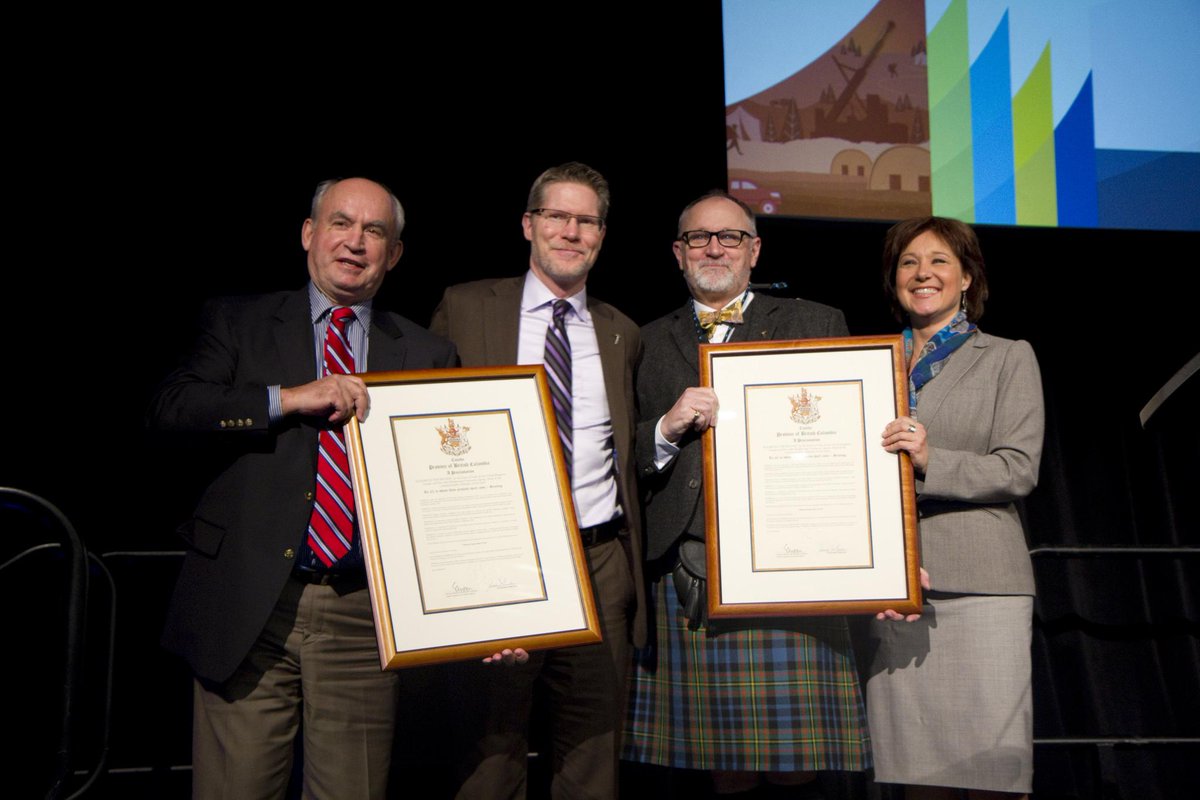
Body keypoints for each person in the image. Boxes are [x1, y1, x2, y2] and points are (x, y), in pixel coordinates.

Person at [148, 177, 458, 799]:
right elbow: (174, 409)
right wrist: (286, 399)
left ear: (394, 254)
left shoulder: (428, 352)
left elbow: (447, 495)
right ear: (309, 233)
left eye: (374, 231)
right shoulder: (239, 321)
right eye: (341, 223)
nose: (355, 242)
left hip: (363, 617)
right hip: (248, 607)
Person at [623, 190, 871, 795]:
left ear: (754, 250)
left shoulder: (816, 323)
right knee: (723, 763)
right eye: (699, 238)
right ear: (678, 252)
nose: (714, 248)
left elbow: (850, 443)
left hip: (792, 565)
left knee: (797, 759)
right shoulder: (641, 340)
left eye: (729, 236)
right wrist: (664, 429)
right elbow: (623, 455)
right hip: (688, 565)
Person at [429, 162, 644, 799]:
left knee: (592, 757)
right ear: (528, 224)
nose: (571, 232)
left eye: (587, 221)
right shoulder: (466, 307)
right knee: (489, 755)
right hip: (500, 560)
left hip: (598, 560)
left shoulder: (621, 331)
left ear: (601, 234)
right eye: (557, 216)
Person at [866, 216, 1044, 799]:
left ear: (967, 277)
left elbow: (1018, 468)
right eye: (909, 262)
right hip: (894, 587)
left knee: (993, 773)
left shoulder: (1008, 357)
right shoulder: (866, 364)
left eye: (940, 260)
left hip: (981, 585)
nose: (923, 273)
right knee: (914, 774)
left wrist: (929, 459)